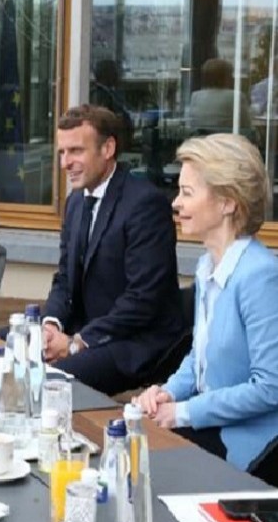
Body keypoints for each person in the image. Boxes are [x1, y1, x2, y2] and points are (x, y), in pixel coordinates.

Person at [135, 133, 278, 486]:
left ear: (228, 202)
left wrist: (183, 412)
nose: (175, 203)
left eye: (187, 193)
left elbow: (270, 387)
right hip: (214, 427)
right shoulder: (207, 265)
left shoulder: (260, 275)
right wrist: (168, 391)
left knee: (145, 472)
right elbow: (200, 357)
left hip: (255, 447)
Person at [43, 104, 184, 395]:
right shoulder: (75, 202)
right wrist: (50, 326)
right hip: (85, 330)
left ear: (107, 148)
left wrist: (76, 342)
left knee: (53, 381)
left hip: (135, 342)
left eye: (76, 151)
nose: (65, 163)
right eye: (62, 152)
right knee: (4, 346)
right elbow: (64, 278)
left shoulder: (145, 204)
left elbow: (143, 299)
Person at [187, 58, 252, 131]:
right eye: (230, 75)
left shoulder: (195, 96)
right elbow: (247, 127)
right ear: (225, 77)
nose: (232, 78)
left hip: (201, 141)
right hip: (227, 141)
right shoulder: (235, 96)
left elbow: (191, 124)